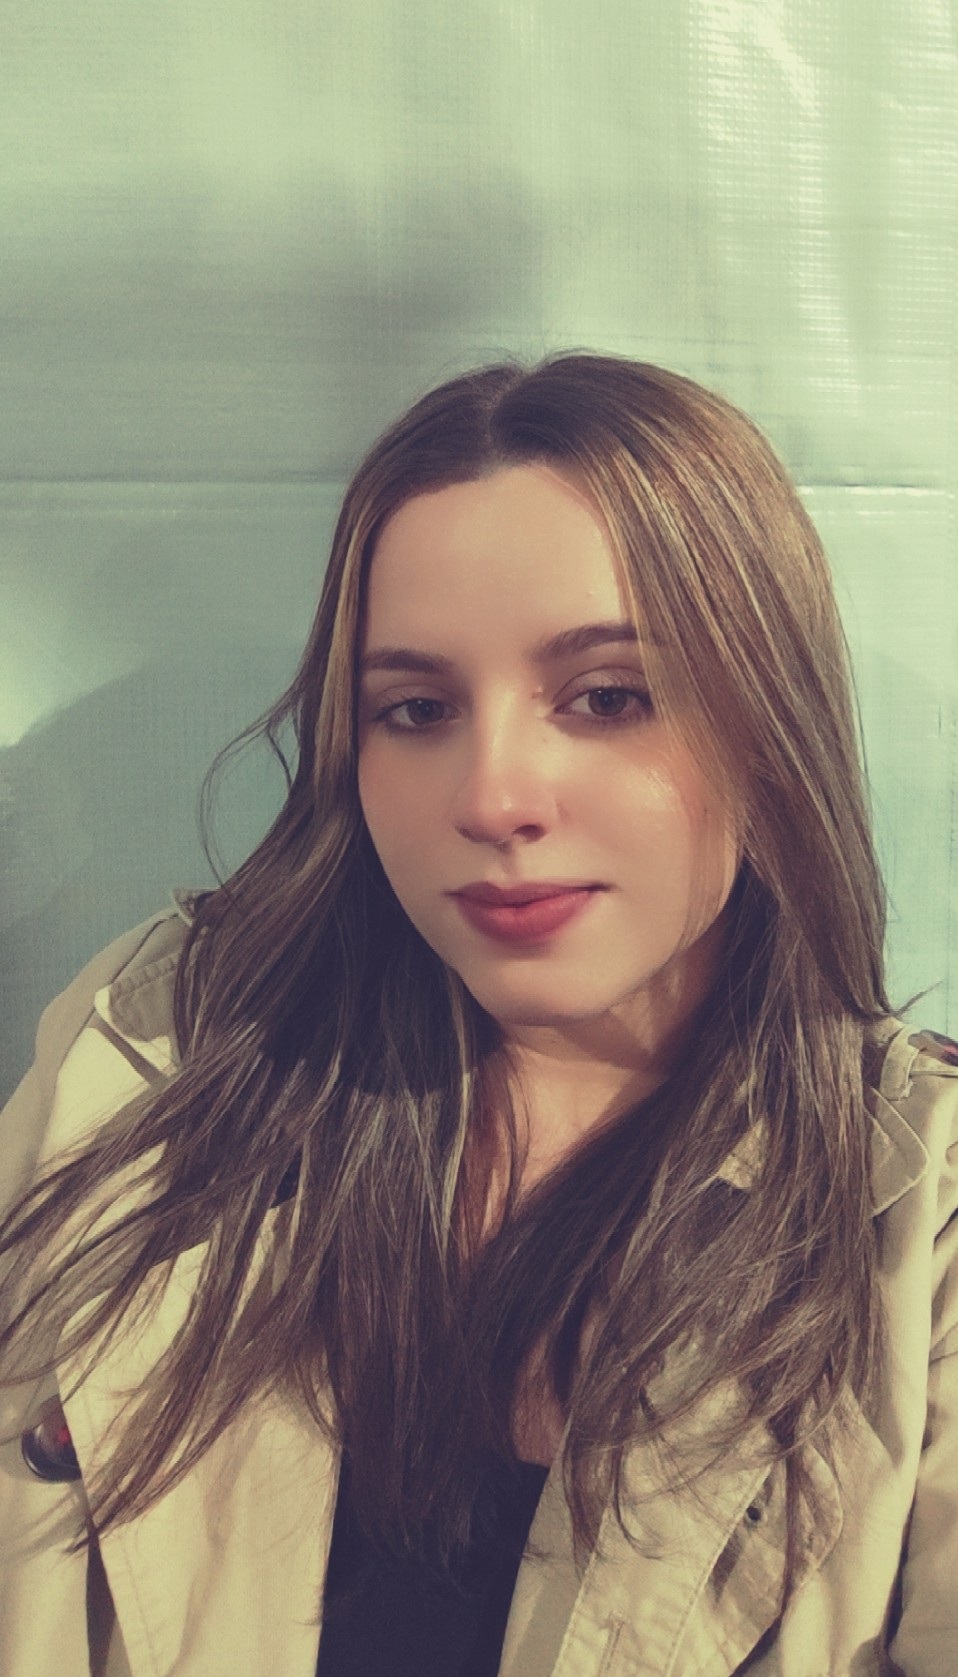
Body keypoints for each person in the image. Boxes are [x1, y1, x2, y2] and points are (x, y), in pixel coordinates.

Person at [1, 352, 956, 1677]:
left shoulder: (924, 1212)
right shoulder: (153, 1059)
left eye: (607, 696)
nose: (493, 795)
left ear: (766, 719)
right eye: (415, 709)